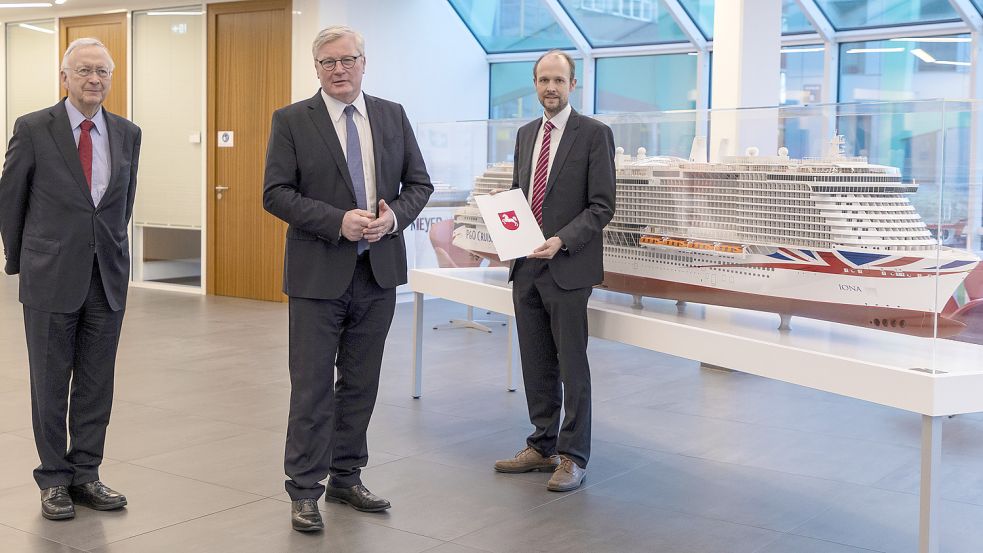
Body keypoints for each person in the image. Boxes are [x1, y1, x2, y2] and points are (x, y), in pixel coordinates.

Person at [263, 25, 433, 532]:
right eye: (328, 62)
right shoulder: (293, 120)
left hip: (377, 273)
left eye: (347, 60)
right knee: (312, 386)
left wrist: (394, 217)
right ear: (316, 68)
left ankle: (345, 475)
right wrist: (336, 221)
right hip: (318, 274)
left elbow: (419, 183)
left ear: (364, 62)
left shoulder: (391, 115)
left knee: (360, 383)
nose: (339, 70)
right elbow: (275, 193)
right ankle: (303, 489)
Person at [0, 38, 141, 520]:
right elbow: (11, 199)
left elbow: (123, 204)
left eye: (102, 71)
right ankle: (53, 479)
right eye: (84, 70)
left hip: (107, 277)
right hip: (49, 276)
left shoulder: (127, 132)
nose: (94, 79)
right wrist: (20, 261)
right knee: (50, 381)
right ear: (65, 77)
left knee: (97, 382)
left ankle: (86, 473)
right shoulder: (35, 127)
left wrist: (115, 253)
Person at [493, 50, 616, 492]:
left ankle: (573, 456)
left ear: (573, 84)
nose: (550, 88)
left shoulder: (595, 135)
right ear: (535, 83)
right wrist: (503, 234)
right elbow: (516, 195)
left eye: (559, 80)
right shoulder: (527, 134)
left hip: (567, 266)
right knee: (536, 361)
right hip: (526, 267)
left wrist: (561, 239)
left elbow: (602, 206)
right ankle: (541, 445)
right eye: (544, 80)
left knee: (571, 365)